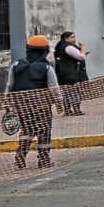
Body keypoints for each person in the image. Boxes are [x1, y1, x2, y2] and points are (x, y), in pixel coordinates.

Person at [5, 35, 61, 169]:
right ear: (45, 51)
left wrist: (6, 103)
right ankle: (43, 159)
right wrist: (59, 102)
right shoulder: (46, 68)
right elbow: (54, 88)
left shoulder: (17, 65)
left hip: (22, 105)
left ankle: (21, 155)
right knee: (44, 131)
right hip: (41, 105)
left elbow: (10, 85)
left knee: (27, 130)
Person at [53, 31, 89, 116]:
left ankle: (68, 110)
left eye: (74, 37)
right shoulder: (68, 47)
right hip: (70, 74)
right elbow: (80, 57)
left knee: (66, 92)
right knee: (74, 91)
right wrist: (83, 48)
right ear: (66, 38)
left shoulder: (61, 47)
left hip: (63, 74)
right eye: (72, 37)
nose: (74, 39)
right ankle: (76, 109)